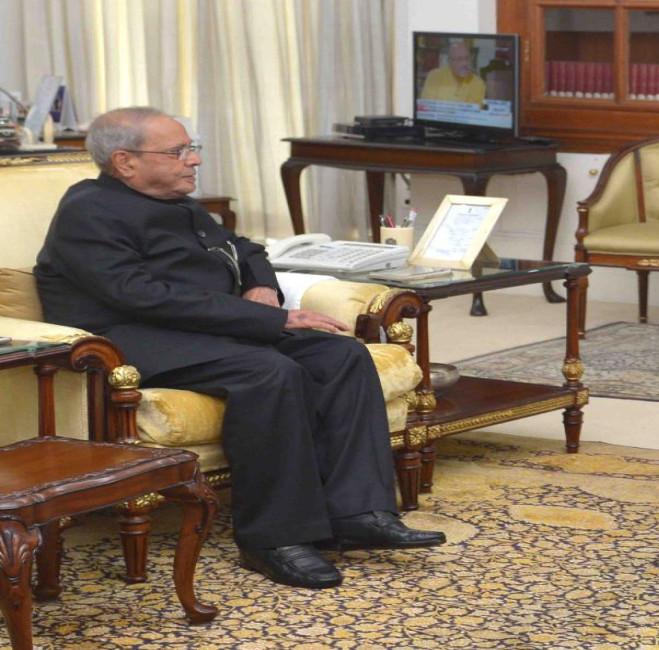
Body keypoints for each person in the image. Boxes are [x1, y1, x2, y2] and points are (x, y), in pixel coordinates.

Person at [34, 107, 446, 589]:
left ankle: (357, 514)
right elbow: (141, 297)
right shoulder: (88, 211)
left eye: (192, 148)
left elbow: (246, 248)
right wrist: (274, 319)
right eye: (178, 151)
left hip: (207, 326)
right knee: (269, 371)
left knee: (341, 356)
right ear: (125, 161)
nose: (194, 160)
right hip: (130, 337)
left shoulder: (176, 201)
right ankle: (274, 539)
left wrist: (261, 286)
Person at [419, 40, 486, 105]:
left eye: (467, 58)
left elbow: (476, 110)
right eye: (459, 59)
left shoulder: (479, 83)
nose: (465, 63)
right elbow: (426, 107)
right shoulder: (435, 76)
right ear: (449, 61)